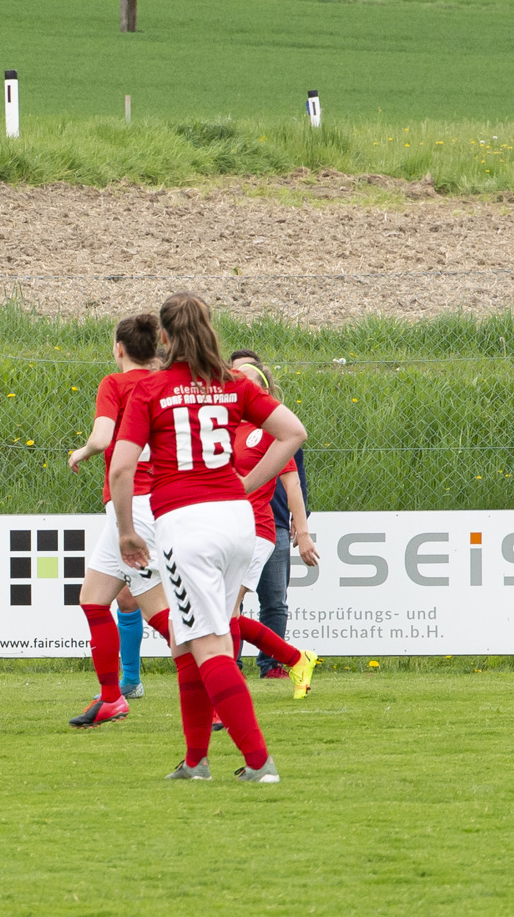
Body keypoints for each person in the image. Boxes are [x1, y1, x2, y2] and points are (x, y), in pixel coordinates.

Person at [112, 292, 307, 783]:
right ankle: (196, 761)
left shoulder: (152, 389)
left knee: (210, 645)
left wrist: (127, 532)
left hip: (187, 525)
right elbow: (294, 433)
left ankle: (260, 763)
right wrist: (248, 484)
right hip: (238, 523)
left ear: (163, 336)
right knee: (187, 641)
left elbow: (121, 468)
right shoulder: (232, 383)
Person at [65, 313, 172, 728]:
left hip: (134, 508)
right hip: (142, 505)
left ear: (120, 349)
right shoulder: (163, 383)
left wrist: (81, 452)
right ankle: (111, 698)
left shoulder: (115, 383)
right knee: (93, 600)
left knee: (161, 615)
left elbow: (103, 437)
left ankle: (216, 693)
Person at [225, 352, 320, 699]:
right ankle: (295, 659)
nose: (237, 386)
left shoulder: (272, 430)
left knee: (233, 608)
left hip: (257, 530)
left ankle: (228, 679)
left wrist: (302, 532)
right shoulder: (226, 429)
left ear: (261, 391)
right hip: (228, 529)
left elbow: (292, 483)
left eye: (245, 382)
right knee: (226, 611)